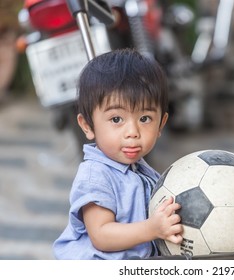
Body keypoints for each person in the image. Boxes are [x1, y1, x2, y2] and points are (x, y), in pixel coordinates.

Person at [53, 48, 183, 260]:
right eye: (116, 119)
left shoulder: (144, 171)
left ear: (162, 123)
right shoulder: (96, 175)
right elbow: (101, 235)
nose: (132, 132)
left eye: (145, 119)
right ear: (87, 126)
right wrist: (152, 228)